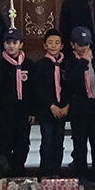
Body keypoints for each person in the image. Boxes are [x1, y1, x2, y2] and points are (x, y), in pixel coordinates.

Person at [65, 27, 95, 183]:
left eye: (86, 44)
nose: (83, 47)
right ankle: (81, 174)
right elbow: (70, 81)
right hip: (79, 106)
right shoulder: (70, 61)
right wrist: (83, 62)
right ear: (73, 44)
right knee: (80, 142)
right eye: (80, 44)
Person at [0, 28, 33, 176]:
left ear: (21, 44)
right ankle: (5, 173)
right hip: (3, 112)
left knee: (22, 143)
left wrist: (32, 111)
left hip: (22, 112)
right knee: (4, 143)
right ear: (3, 44)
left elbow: (33, 90)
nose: (11, 46)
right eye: (8, 42)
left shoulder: (28, 65)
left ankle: (19, 171)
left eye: (15, 42)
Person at [31, 29, 70, 179]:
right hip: (47, 110)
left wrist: (66, 106)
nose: (53, 46)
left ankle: (56, 171)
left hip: (62, 109)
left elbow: (71, 87)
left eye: (57, 43)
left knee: (59, 142)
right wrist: (51, 105)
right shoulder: (40, 65)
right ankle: (45, 172)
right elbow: (38, 88)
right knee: (47, 141)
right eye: (50, 43)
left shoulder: (67, 64)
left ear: (62, 46)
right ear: (45, 45)